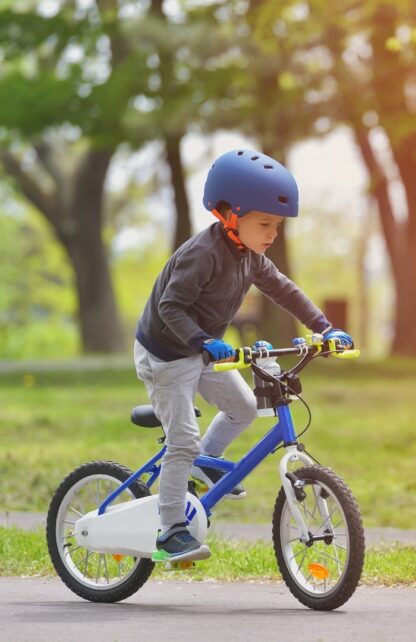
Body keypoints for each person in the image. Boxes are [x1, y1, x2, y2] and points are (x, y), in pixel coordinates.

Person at [133, 149, 352, 562]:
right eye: (264, 223)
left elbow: (285, 291)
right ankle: (169, 530)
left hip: (201, 350)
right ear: (229, 215)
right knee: (182, 439)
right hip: (165, 353)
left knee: (245, 408)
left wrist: (323, 327)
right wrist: (202, 341)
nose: (273, 233)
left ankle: (203, 466)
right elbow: (170, 307)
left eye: (278, 225)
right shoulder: (202, 254)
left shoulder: (251, 258)